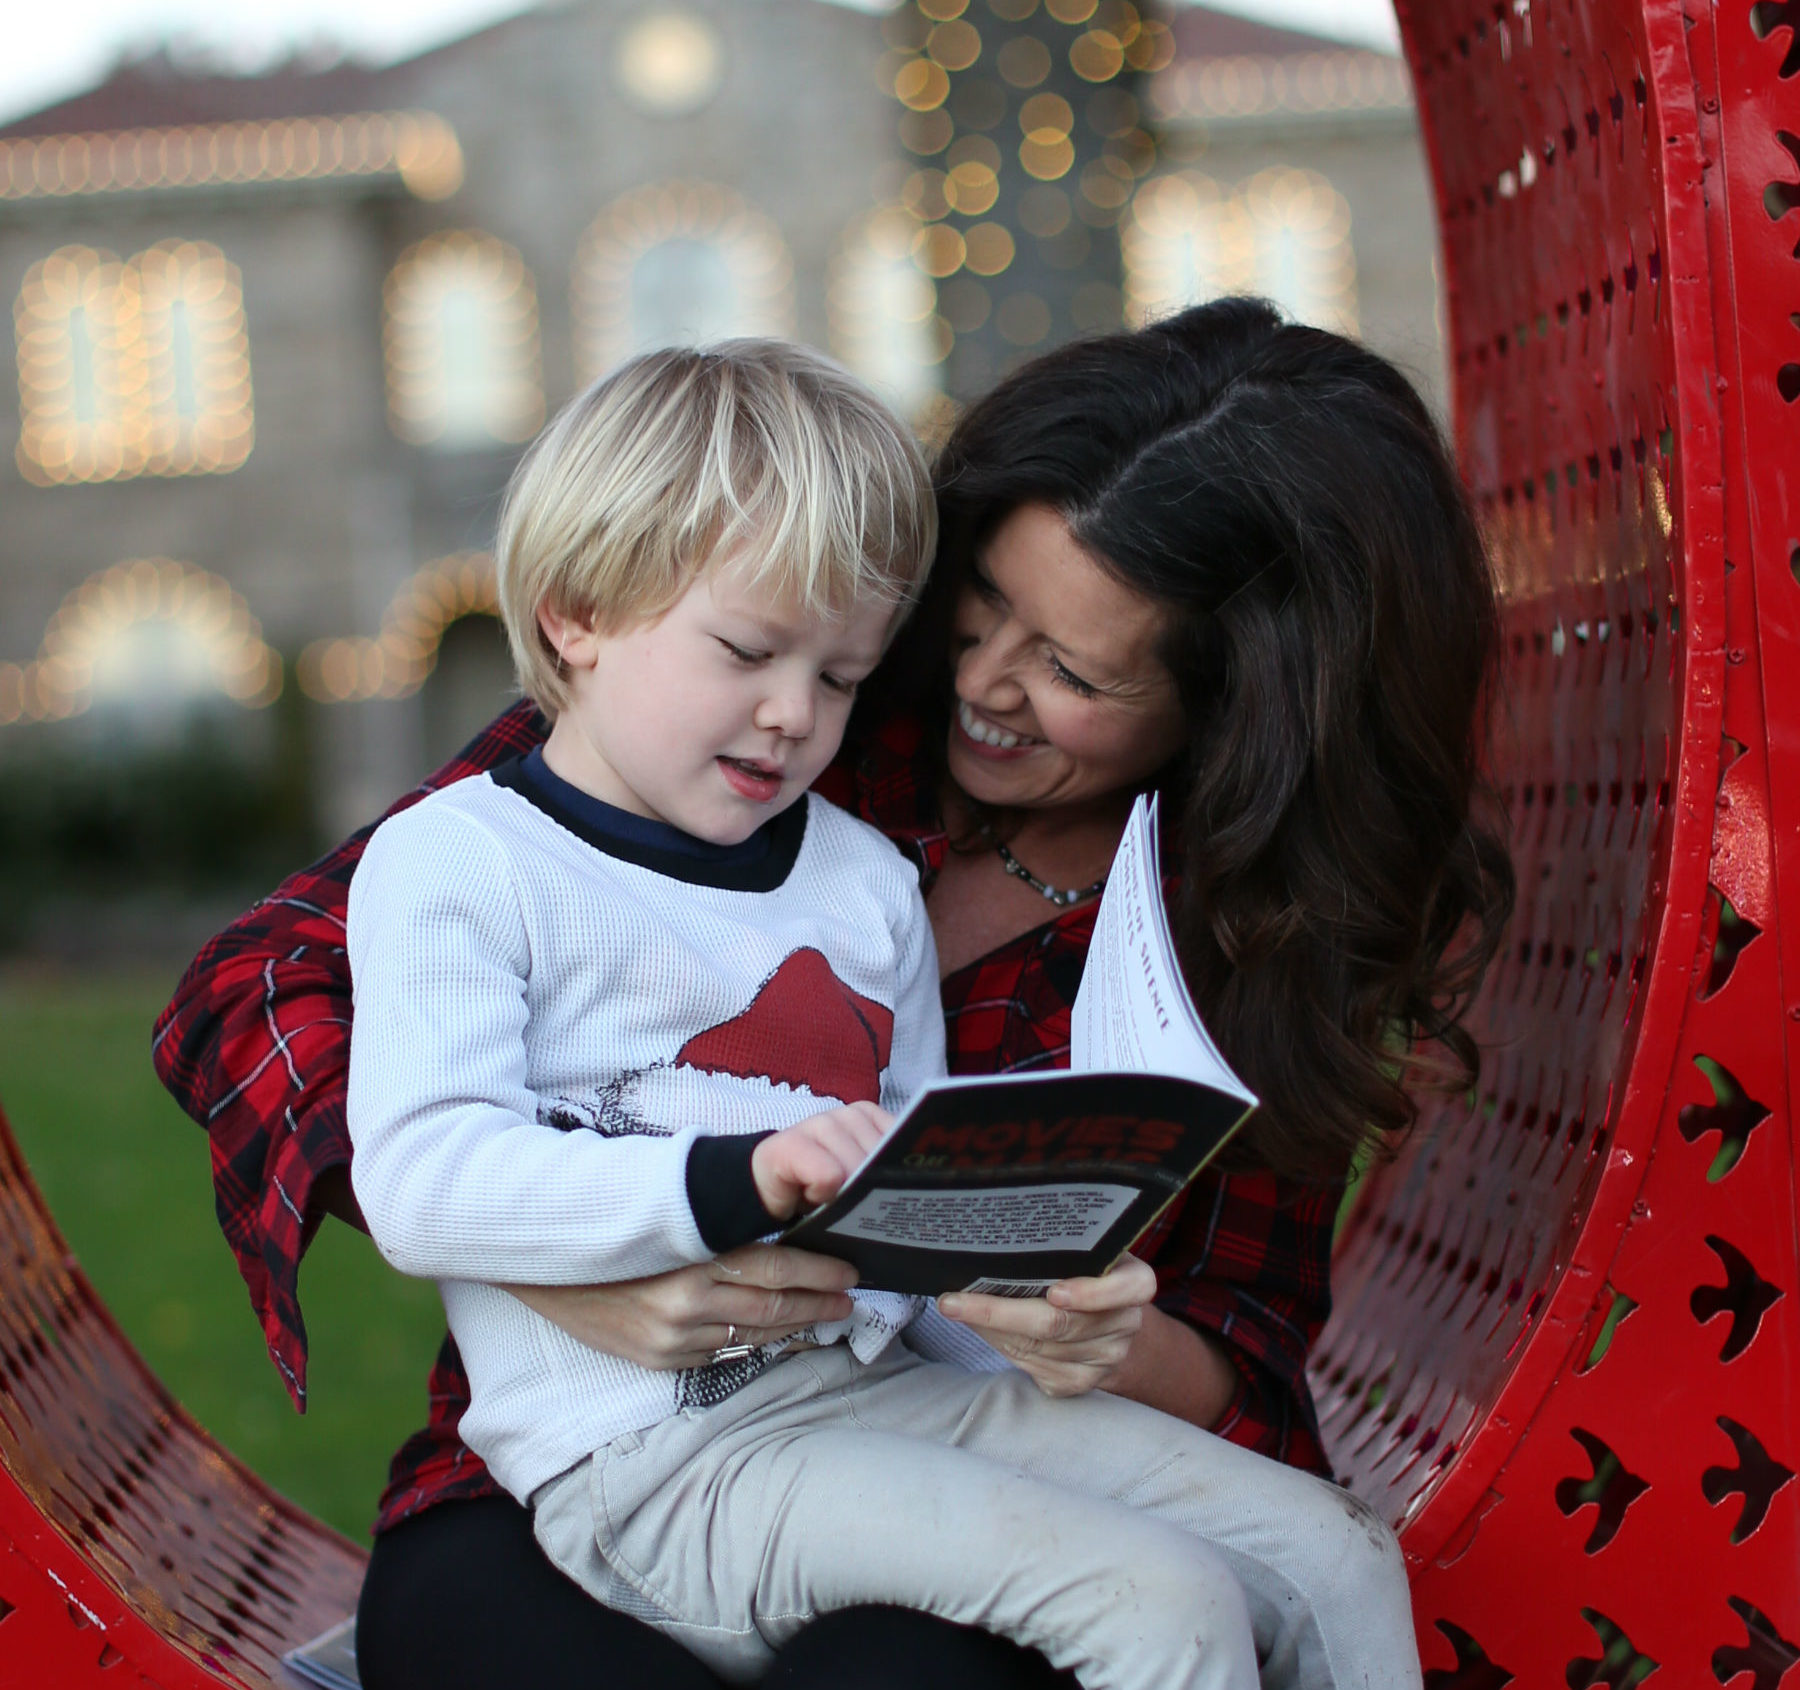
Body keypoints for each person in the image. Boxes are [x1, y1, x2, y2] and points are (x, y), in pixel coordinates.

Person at [153, 299, 1513, 1690]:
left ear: (1234, 708)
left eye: (1071, 670)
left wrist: (1086, 1322)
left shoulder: (912, 864)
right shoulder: (644, 741)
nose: (979, 681)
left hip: (891, 1397)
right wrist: (595, 1261)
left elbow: (1162, 1315)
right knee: (1139, 1606)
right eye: (982, 606)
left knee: (1325, 1560)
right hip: (623, 1459)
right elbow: (286, 1013)